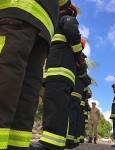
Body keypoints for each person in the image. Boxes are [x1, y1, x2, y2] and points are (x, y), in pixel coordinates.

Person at [0, 0, 71, 150]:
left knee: (7, 73)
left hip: (18, 9)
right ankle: (16, 145)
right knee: (28, 87)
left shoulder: (69, 23)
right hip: (44, 27)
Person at [30, 2, 84, 150]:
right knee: (55, 107)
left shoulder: (67, 19)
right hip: (56, 74)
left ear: (69, 11)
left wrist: (78, 53)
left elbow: (72, 32)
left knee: (55, 107)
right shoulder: (57, 27)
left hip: (60, 73)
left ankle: (50, 144)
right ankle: (54, 143)